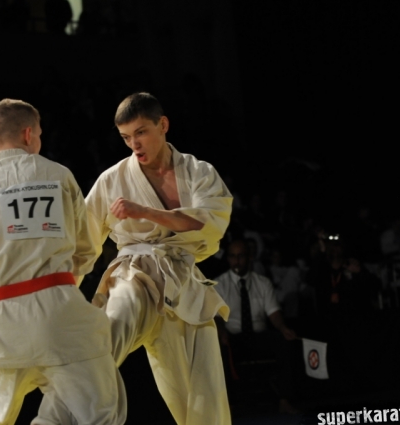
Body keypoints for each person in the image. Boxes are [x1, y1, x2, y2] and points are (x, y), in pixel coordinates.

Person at [0, 99, 126, 425]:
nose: (39, 139)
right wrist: (59, 284)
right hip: (58, 314)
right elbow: (85, 249)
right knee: (100, 411)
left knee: (0, 413)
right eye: (38, 133)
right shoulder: (57, 174)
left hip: (3, 320)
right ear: (27, 134)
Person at [85, 92, 233, 425]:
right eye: (126, 137)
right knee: (102, 343)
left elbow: (208, 223)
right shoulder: (112, 179)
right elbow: (83, 242)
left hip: (183, 282)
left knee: (205, 394)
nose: (134, 144)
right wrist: (59, 291)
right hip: (134, 273)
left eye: (141, 132)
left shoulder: (198, 172)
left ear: (163, 125)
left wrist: (144, 211)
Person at [213, 240, 300, 414]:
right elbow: (216, 316)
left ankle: (284, 399)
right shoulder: (219, 284)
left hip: (258, 335)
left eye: (241, 256)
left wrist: (283, 328)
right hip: (233, 336)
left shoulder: (263, 283)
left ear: (249, 257)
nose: (237, 261)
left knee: (283, 340)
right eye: (232, 256)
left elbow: (274, 313)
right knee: (219, 347)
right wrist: (221, 332)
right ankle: (227, 404)